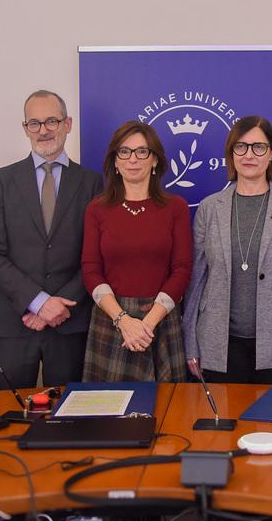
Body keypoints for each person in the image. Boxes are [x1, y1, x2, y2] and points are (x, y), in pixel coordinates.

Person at [182, 116, 272, 384]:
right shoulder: (210, 209)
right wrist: (190, 344)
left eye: (258, 147)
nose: (249, 155)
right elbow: (196, 281)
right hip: (219, 344)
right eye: (241, 146)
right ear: (231, 153)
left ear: (271, 153)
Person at [0, 90, 103, 389]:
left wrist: (56, 307)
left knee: (68, 411)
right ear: (25, 129)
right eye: (34, 123)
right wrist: (38, 303)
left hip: (69, 323)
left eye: (52, 121)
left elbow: (95, 255)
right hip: (13, 324)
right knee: (8, 411)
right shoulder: (1, 180)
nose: (43, 130)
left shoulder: (92, 183)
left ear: (67, 124)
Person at [81, 121, 192, 382]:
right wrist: (123, 321)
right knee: (109, 406)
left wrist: (147, 324)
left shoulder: (176, 207)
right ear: (115, 162)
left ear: (155, 160)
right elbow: (91, 270)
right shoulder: (97, 209)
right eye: (124, 152)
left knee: (166, 405)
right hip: (112, 320)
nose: (133, 159)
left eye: (142, 151)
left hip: (160, 320)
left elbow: (182, 269)